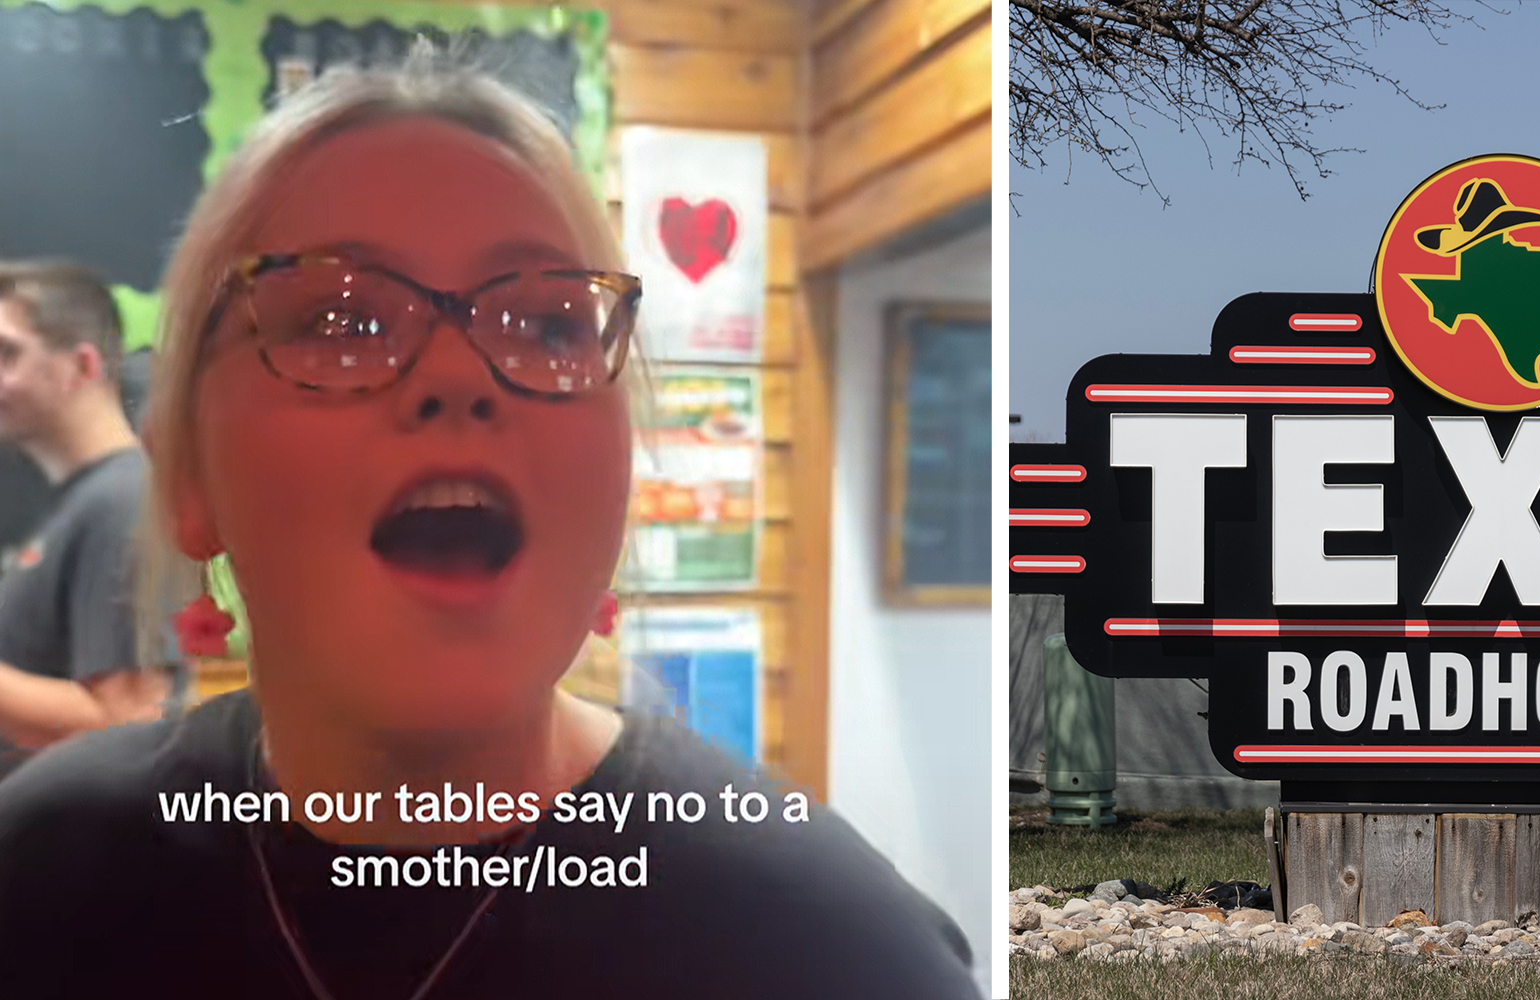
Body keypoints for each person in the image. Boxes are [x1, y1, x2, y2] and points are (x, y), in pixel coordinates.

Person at [0, 54, 981, 998]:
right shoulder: (45, 868)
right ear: (188, 477)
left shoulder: (824, 945)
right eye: (340, 320)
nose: (459, 377)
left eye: (550, 322)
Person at [0, 261, 170, 777]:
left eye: (8, 354)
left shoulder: (122, 500)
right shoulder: (86, 503)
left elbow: (132, 716)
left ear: (83, 366)